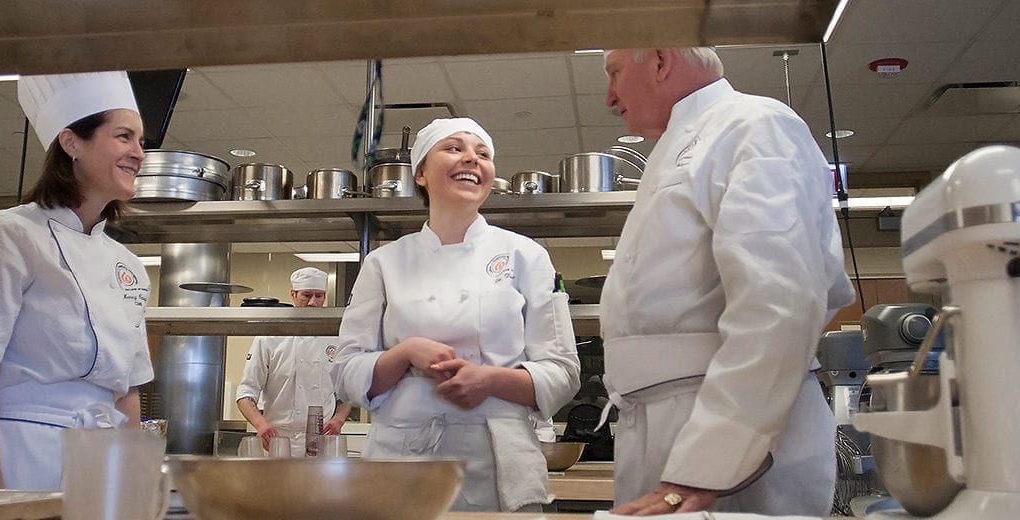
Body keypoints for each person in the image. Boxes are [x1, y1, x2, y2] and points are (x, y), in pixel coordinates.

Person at [597, 47, 855, 516]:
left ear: (658, 60)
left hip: (724, 420)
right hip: (665, 417)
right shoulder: (675, 147)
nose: (610, 97)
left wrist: (707, 465)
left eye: (614, 73)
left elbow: (778, 301)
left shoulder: (753, 124)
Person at [332, 118, 581, 512]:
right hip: (401, 463)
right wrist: (405, 352)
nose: (472, 158)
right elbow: (345, 373)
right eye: (454, 148)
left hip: (499, 462)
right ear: (420, 174)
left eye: (483, 154)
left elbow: (564, 372)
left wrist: (489, 380)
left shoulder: (526, 255)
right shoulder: (384, 262)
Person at [0, 71, 152, 490]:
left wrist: (133, 489)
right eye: (124, 136)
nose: (138, 153)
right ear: (72, 143)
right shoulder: (7, 235)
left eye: (141, 141)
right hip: (17, 454)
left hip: (99, 467)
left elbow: (126, 393)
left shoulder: (127, 264)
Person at [235, 267, 353, 456]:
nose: (313, 303)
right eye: (307, 295)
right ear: (293, 294)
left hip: (323, 441)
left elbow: (345, 394)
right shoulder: (269, 337)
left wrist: (338, 420)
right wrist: (261, 424)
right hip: (277, 441)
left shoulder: (335, 338)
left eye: (319, 296)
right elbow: (245, 394)